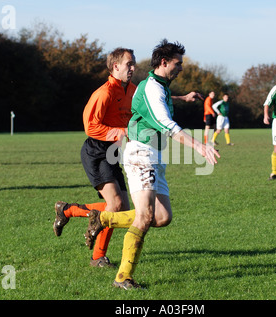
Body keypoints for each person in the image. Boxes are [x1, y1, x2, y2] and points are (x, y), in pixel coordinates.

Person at [84, 39, 220, 289]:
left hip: (155, 156)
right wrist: (199, 145)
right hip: (141, 155)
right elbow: (166, 123)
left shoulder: (160, 87)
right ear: (164, 62)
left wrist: (182, 96)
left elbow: (154, 107)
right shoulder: (152, 88)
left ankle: (103, 219)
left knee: (162, 216)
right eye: (178, 64)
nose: (181, 68)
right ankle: (123, 277)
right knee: (144, 216)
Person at [53, 48, 137, 268]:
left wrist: (182, 97)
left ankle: (68, 210)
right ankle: (98, 257)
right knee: (115, 204)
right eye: (129, 64)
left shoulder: (132, 90)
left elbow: (151, 98)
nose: (133, 68)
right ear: (115, 66)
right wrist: (122, 132)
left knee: (123, 209)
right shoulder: (104, 92)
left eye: (133, 64)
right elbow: (90, 127)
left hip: (112, 153)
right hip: (97, 151)